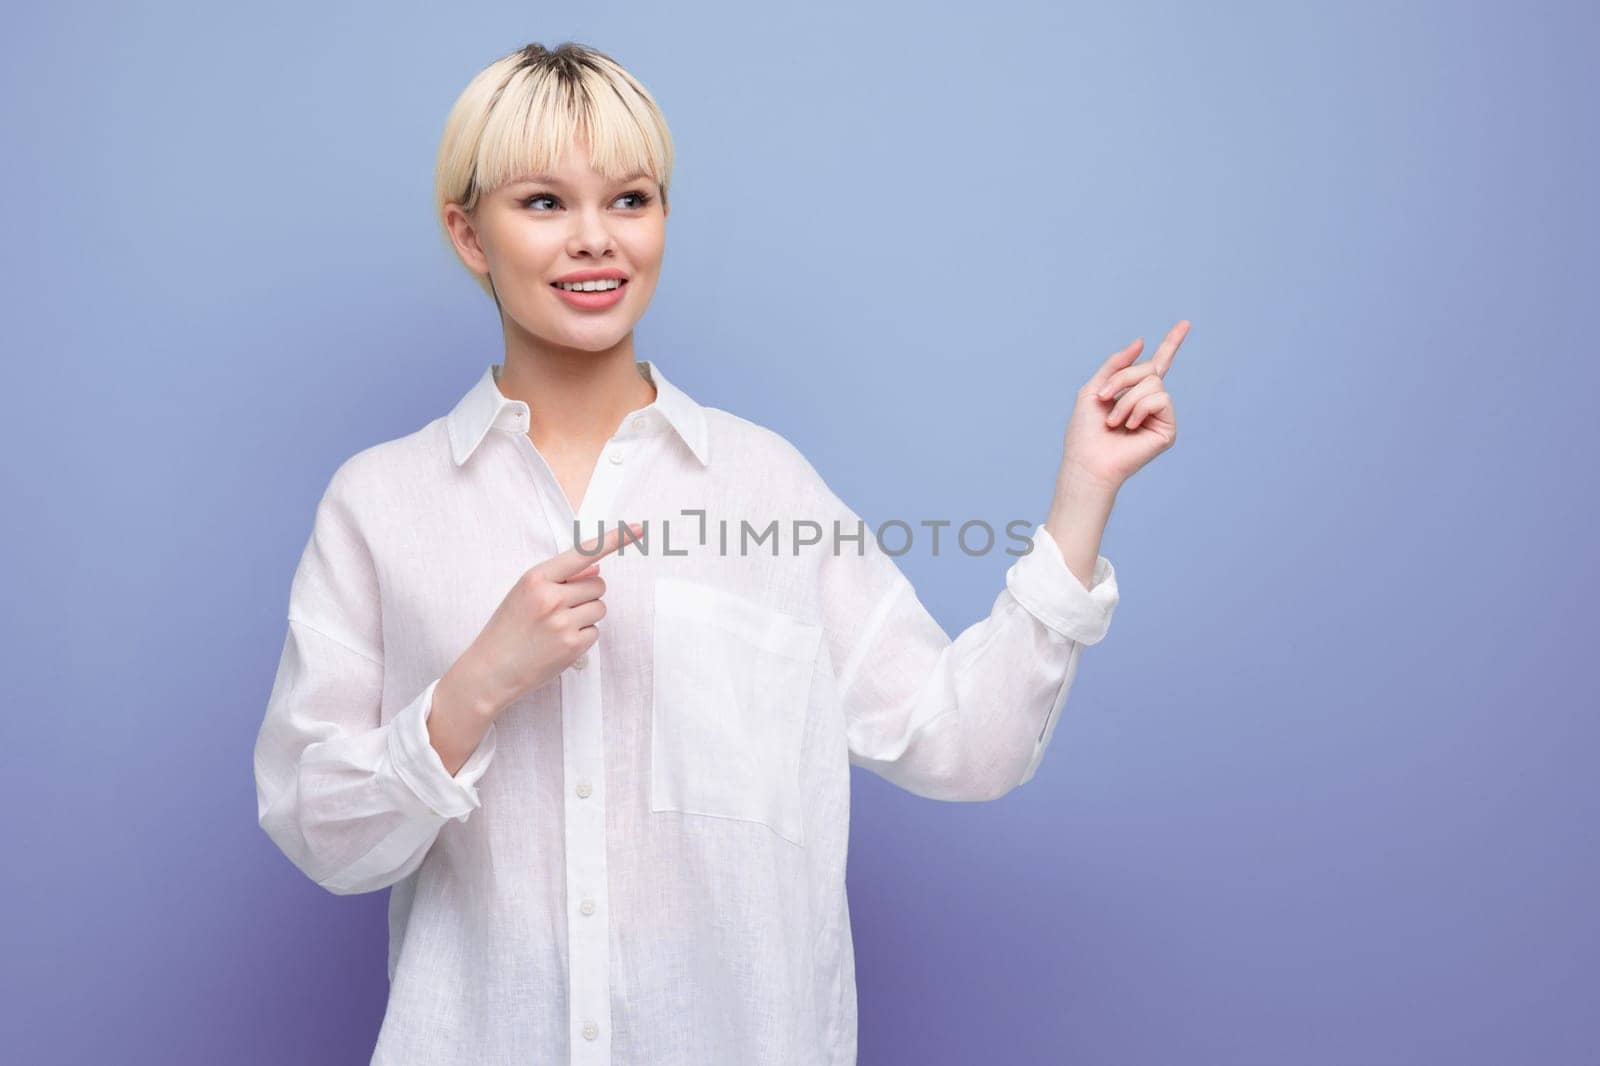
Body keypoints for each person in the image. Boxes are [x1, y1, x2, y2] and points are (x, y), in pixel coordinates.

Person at [252, 39, 1186, 1066]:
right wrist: (471, 689)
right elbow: (322, 833)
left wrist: (1082, 493)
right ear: (467, 232)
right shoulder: (382, 503)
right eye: (543, 203)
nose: (596, 242)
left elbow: (964, 742)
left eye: (632, 199)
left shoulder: (764, 486)